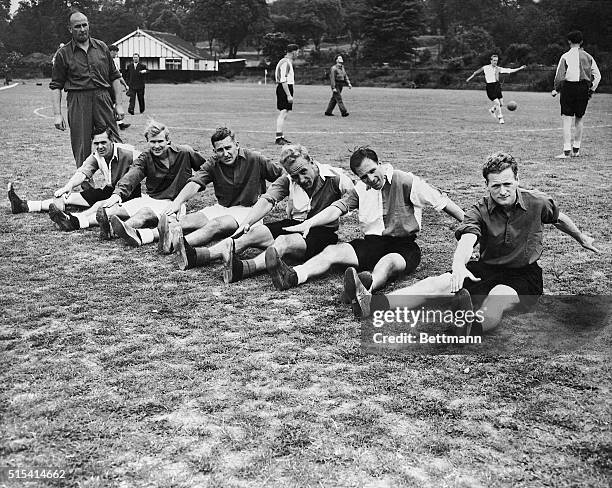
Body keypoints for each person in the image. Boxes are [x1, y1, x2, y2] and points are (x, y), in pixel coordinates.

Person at [352, 152, 600, 331]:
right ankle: (374, 305)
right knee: (438, 282)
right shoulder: (478, 210)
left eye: (508, 184)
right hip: (486, 269)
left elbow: (558, 218)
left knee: (498, 297)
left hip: (524, 276)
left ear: (517, 180)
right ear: (486, 185)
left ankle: (470, 325)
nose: (502, 191)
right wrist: (459, 267)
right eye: (495, 186)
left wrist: (581, 237)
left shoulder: (537, 201)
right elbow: (467, 240)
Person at [265, 146, 465, 295]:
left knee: (388, 263)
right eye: (363, 176)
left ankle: (365, 288)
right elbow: (336, 209)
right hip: (372, 243)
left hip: (403, 246)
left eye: (371, 171)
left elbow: (441, 202)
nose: (370, 179)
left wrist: (471, 225)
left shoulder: (404, 180)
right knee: (332, 251)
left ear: (379, 163)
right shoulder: (361, 189)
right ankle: (293, 276)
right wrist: (310, 223)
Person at [177, 144, 354, 281]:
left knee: (283, 241)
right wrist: (247, 222)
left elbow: (351, 199)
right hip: (294, 224)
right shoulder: (287, 180)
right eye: (295, 176)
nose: (301, 179)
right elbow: (267, 200)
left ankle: (243, 269)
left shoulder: (335, 177)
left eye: (303, 172)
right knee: (253, 232)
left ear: (311, 161)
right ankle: (198, 256)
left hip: (322, 232)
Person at [156, 127, 283, 266]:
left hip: (247, 210)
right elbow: (195, 182)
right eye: (220, 150)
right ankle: (146, 235)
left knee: (215, 225)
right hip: (222, 207)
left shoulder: (255, 158)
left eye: (228, 148)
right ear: (214, 151)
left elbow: (281, 177)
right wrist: (177, 202)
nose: (226, 153)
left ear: (237, 145)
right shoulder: (213, 163)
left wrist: (271, 197)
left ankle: (175, 244)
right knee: (188, 220)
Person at [8, 127, 140, 231]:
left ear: (112, 141)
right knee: (67, 197)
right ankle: (24, 206)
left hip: (127, 194)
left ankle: (72, 220)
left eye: (103, 142)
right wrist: (68, 186)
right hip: (109, 190)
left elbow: (147, 163)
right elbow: (82, 172)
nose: (100, 146)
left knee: (99, 205)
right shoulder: (97, 156)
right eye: (96, 143)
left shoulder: (129, 153)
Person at [96, 120, 205, 246]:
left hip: (173, 203)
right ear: (147, 142)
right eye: (153, 142)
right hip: (150, 198)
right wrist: (117, 194)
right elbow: (132, 175)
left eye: (160, 141)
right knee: (112, 209)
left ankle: (117, 230)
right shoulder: (145, 157)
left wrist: (194, 184)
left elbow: (205, 170)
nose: (156, 145)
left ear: (168, 141)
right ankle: (90, 222)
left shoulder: (185, 152)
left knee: (145, 212)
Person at [50, 10, 125, 170]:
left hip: (102, 98)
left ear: (89, 25)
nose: (82, 29)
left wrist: (118, 104)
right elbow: (56, 86)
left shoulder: (102, 47)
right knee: (81, 145)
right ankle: (87, 188)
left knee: (115, 142)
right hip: (78, 101)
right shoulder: (63, 54)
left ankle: (121, 184)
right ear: (70, 29)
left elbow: (114, 77)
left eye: (85, 25)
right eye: (77, 26)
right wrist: (57, 114)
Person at [551, 30, 601, 159]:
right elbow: (598, 76)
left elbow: (559, 76)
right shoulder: (588, 56)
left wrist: (556, 89)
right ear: (581, 42)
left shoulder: (565, 56)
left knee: (567, 119)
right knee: (579, 119)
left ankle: (566, 151)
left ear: (569, 42)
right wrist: (591, 90)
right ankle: (576, 150)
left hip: (568, 88)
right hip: (583, 88)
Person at [466, 54, 526, 124]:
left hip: (497, 86)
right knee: (497, 102)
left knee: (501, 104)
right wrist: (469, 78)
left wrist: (520, 68)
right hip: (490, 87)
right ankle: (501, 118)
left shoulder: (498, 68)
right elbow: (476, 73)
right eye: (494, 60)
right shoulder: (485, 68)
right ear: (491, 61)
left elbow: (509, 70)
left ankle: (492, 110)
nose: (495, 62)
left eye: (496, 61)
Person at [274, 43, 299, 145]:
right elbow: (283, 80)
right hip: (285, 88)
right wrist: (288, 94)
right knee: (283, 113)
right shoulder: (286, 63)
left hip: (285, 88)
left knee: (284, 113)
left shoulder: (285, 61)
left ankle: (280, 136)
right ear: (293, 51)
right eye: (297, 51)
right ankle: (279, 137)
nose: (298, 53)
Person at [108, 45, 130, 130]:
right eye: (116, 52)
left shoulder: (113, 62)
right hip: (110, 86)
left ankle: (119, 123)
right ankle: (117, 123)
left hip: (112, 86)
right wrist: (125, 85)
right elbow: (117, 76)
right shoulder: (109, 62)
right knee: (112, 104)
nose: (117, 54)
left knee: (113, 104)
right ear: (112, 51)